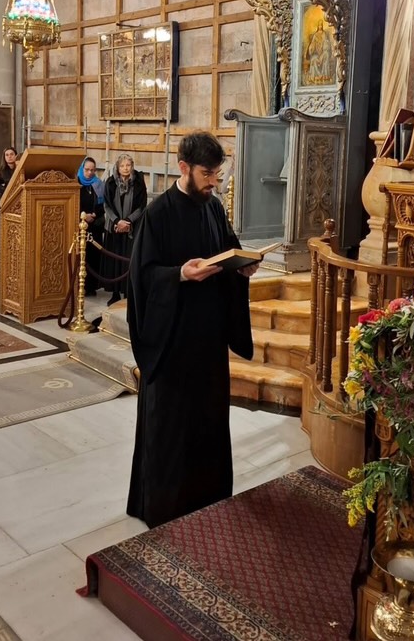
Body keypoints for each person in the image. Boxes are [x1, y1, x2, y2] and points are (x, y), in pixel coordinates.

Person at [126, 131, 257, 528]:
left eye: (217, 174)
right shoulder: (158, 214)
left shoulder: (213, 207)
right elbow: (142, 277)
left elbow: (229, 249)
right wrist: (180, 274)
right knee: (172, 425)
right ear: (183, 167)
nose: (213, 182)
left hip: (208, 339)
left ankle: (209, 497)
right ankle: (165, 506)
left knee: (208, 420)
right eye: (206, 174)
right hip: (173, 340)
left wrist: (244, 266)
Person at [101, 153, 147, 306]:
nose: (125, 168)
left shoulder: (139, 182)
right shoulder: (110, 182)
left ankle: (128, 292)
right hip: (114, 227)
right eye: (122, 166)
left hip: (130, 227)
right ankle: (115, 293)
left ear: (132, 166)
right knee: (114, 260)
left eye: (128, 165)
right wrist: (117, 221)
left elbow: (141, 206)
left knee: (128, 260)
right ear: (118, 167)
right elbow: (107, 205)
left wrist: (127, 221)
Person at [77, 156, 105, 297]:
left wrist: (94, 214)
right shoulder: (76, 183)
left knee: (94, 256)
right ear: (82, 169)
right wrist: (83, 216)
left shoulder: (98, 184)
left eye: (92, 170)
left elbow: (103, 205)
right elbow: (73, 203)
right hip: (79, 226)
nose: (90, 173)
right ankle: (79, 286)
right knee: (81, 256)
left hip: (95, 226)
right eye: (87, 170)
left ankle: (91, 286)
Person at [304, 19, 334, 84]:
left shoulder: (324, 34)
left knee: (326, 55)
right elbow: (312, 45)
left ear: (322, 26)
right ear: (318, 26)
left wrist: (322, 54)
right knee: (313, 59)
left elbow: (326, 45)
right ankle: (316, 76)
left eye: (321, 25)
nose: (320, 26)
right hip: (316, 54)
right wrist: (312, 48)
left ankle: (325, 76)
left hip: (323, 53)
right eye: (319, 25)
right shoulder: (315, 35)